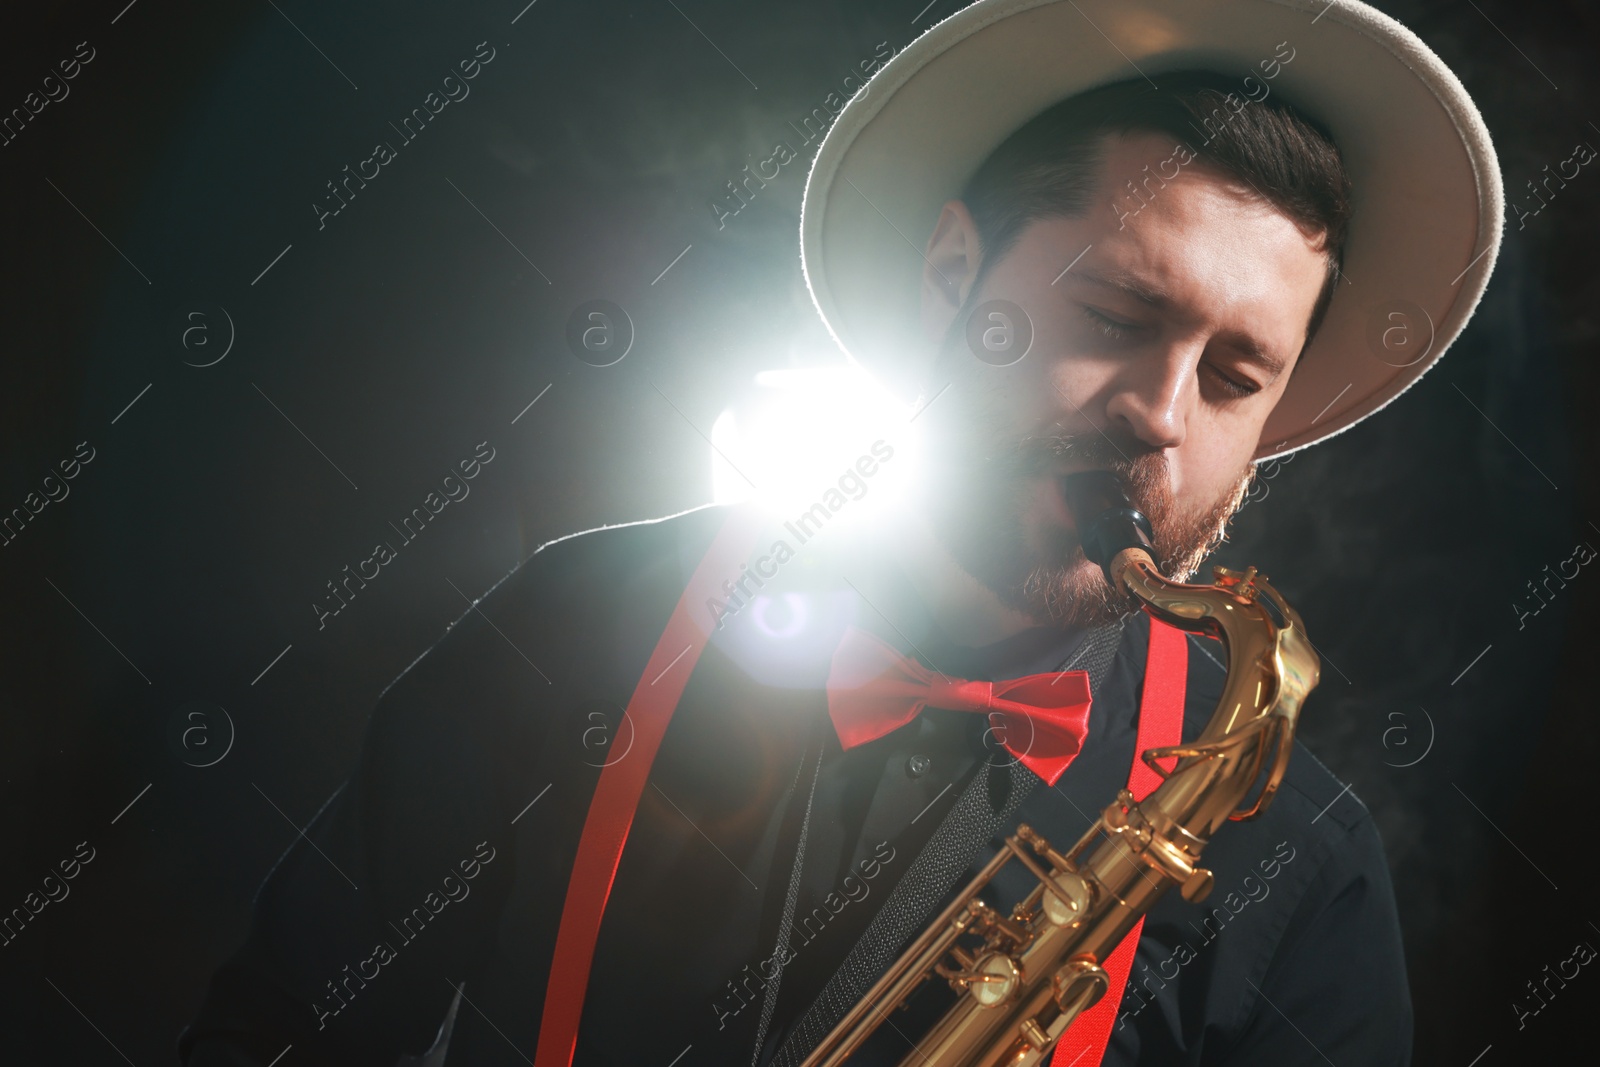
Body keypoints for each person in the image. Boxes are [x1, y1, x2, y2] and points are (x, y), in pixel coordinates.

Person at [180, 1, 1502, 1064]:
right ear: (950, 278)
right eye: (1110, 317)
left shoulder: (1296, 862)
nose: (1160, 419)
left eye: (1233, 378)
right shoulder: (577, 625)